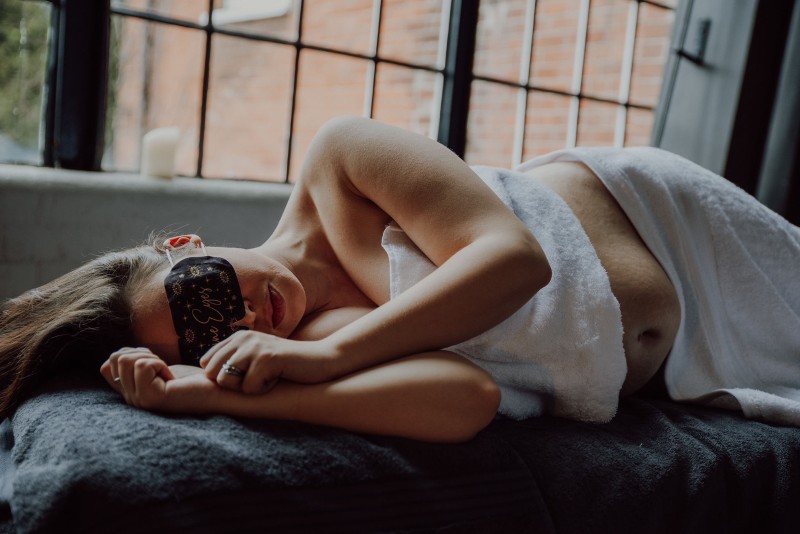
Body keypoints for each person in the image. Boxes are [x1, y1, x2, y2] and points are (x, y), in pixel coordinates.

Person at [1, 117, 797, 442]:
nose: (243, 316)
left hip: (678, 232)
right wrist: (215, 396)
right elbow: (464, 399)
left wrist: (325, 359)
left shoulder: (338, 165)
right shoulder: (310, 338)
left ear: (185, 242)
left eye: (205, 292)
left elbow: (516, 261)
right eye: (210, 336)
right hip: (691, 366)